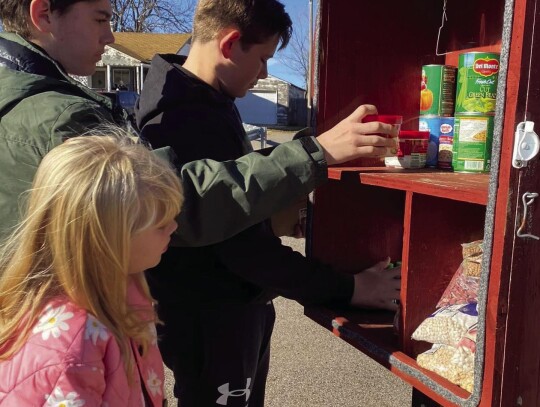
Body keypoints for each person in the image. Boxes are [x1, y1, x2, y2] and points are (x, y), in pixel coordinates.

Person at [136, 0, 401, 405]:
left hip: (229, 310)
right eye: (262, 59)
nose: (264, 74)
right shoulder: (179, 117)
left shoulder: (209, 101)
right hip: (212, 315)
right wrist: (349, 288)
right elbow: (241, 250)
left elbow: (232, 207)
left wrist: (273, 217)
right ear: (230, 43)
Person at [0, 0, 397, 248]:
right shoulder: (58, 116)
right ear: (43, 14)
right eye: (100, 18)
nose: (110, 35)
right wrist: (316, 153)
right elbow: (172, 203)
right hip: (74, 339)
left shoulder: (27, 99)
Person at [0, 134, 182, 405]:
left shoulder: (124, 288)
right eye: (161, 224)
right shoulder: (69, 352)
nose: (174, 228)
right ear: (107, 238)